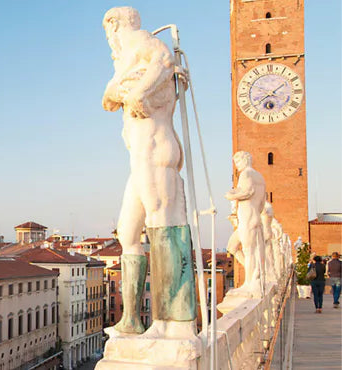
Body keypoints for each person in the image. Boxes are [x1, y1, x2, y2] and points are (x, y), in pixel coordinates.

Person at [102, 7, 196, 337]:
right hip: (139, 158)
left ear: (113, 26)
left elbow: (164, 60)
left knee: (164, 226)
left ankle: (173, 322)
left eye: (108, 31)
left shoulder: (143, 44)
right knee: (128, 233)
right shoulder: (128, 62)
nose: (109, 39)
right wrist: (128, 89)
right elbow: (108, 99)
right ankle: (131, 320)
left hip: (156, 152)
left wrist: (140, 91)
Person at [225, 151, 266, 298]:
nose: (237, 166)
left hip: (247, 217)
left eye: (238, 162)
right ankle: (255, 274)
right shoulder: (260, 177)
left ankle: (250, 283)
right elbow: (262, 202)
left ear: (244, 160)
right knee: (232, 247)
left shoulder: (246, 174)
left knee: (249, 252)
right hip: (254, 216)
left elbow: (247, 192)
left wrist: (231, 195)